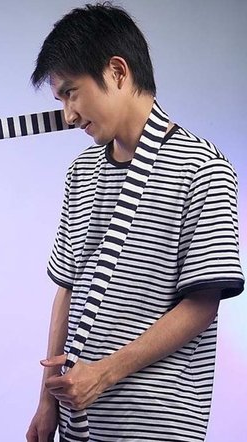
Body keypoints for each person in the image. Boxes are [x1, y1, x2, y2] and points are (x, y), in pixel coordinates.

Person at [25, 4, 243, 441]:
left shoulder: (202, 168)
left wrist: (104, 374)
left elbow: (202, 305)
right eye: (60, 100)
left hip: (157, 425)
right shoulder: (81, 172)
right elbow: (66, 287)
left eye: (72, 93)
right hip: (78, 420)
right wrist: (46, 403)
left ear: (117, 72)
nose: (68, 115)